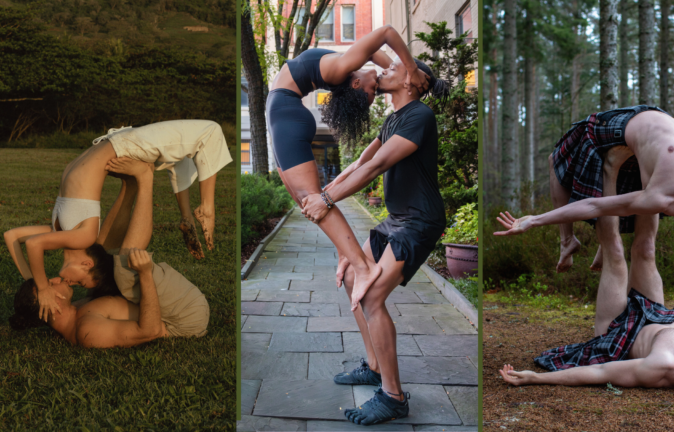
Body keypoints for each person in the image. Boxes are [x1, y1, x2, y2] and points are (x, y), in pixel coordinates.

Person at [300, 59, 450, 425]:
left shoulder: (420, 115)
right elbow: (358, 163)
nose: (386, 68)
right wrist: (321, 194)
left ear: (415, 81)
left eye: (398, 66)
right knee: (352, 275)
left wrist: (328, 201)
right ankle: (374, 365)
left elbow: (376, 167)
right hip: (397, 219)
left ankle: (393, 396)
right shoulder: (393, 119)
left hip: (420, 220)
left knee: (370, 295)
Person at [498, 206, 674, 401]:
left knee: (615, 253)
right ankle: (644, 175)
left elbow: (600, 372)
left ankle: (609, 172)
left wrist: (536, 378)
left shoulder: (665, 366)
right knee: (645, 249)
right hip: (657, 315)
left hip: (620, 333)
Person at [266, 24, 430, 306]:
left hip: (286, 112)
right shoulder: (345, 66)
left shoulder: (343, 68)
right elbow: (388, 36)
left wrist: (409, 71)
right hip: (284, 112)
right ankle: (347, 252)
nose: (377, 83)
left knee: (311, 199)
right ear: (356, 84)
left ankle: (363, 268)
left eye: (374, 90)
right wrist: (410, 67)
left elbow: (388, 54)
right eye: (373, 90)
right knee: (305, 204)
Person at [4, 119, 230, 322]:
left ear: (87, 264)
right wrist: (34, 280)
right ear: (86, 264)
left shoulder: (81, 236)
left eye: (80, 283)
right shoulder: (65, 233)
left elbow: (28, 242)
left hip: (124, 145)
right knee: (179, 157)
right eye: (80, 283)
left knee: (210, 131)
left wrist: (38, 285)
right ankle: (187, 215)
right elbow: (14, 237)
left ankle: (205, 209)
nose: (72, 284)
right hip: (120, 145)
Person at [494, 106, 674, 272]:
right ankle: (600, 242)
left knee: (557, 156)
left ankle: (567, 240)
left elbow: (594, 205)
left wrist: (534, 220)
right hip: (656, 117)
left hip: (625, 123)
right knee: (628, 184)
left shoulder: (662, 198)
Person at [8, 159, 210, 347]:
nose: (53, 279)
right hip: (186, 318)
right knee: (124, 270)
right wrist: (145, 274)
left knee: (99, 251)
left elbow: (13, 237)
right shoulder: (87, 331)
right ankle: (145, 179)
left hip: (179, 304)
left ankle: (129, 185)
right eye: (49, 286)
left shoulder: (75, 310)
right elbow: (150, 331)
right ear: (50, 305)